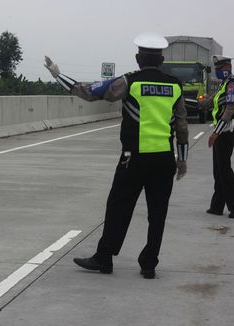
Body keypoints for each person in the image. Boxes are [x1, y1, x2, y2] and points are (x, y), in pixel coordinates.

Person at [44, 33, 189, 279]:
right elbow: (182, 125)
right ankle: (149, 264)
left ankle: (104, 258)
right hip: (164, 159)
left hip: (133, 158)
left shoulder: (129, 82)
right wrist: (182, 159)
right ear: (162, 59)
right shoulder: (174, 85)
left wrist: (58, 75)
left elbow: (89, 92)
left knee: (118, 207)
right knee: (158, 213)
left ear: (137, 58)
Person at [200, 55, 234, 219]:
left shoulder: (233, 85)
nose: (217, 72)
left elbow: (229, 110)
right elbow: (209, 103)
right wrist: (195, 103)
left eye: (220, 69)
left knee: (224, 170)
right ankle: (217, 206)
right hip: (222, 132)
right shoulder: (223, 86)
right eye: (216, 69)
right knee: (218, 171)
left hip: (226, 132)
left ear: (228, 68)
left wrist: (215, 133)